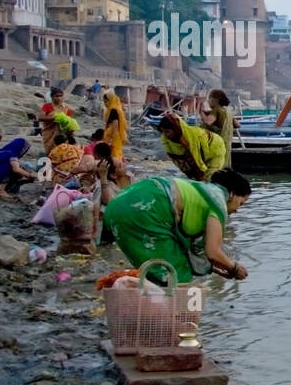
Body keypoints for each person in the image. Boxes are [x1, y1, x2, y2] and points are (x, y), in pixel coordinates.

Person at [103, 169, 251, 284]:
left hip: (117, 206)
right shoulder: (217, 201)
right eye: (240, 203)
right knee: (176, 276)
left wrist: (220, 270)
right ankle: (169, 320)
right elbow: (213, 251)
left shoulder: (203, 190)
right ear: (232, 194)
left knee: (155, 271)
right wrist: (234, 267)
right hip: (143, 209)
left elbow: (187, 251)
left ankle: (146, 315)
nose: (237, 210)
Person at [157, 111, 225, 181]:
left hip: (215, 147)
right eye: (163, 131)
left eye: (167, 131)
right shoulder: (166, 140)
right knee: (196, 179)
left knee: (211, 177)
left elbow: (196, 159)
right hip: (202, 152)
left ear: (176, 129)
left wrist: (201, 176)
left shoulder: (190, 137)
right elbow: (177, 160)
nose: (165, 134)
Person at [206, 89, 236, 170]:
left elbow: (208, 122)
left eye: (209, 98)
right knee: (224, 166)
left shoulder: (216, 109)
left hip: (217, 143)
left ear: (214, 100)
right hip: (226, 145)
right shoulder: (228, 111)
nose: (208, 101)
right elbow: (237, 125)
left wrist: (201, 114)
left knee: (215, 165)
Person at [38, 87, 73, 153]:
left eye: (60, 96)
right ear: (52, 97)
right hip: (48, 134)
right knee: (50, 152)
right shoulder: (47, 106)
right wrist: (55, 117)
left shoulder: (66, 109)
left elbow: (69, 123)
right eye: (56, 96)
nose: (59, 98)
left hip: (61, 135)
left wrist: (71, 135)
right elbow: (40, 117)